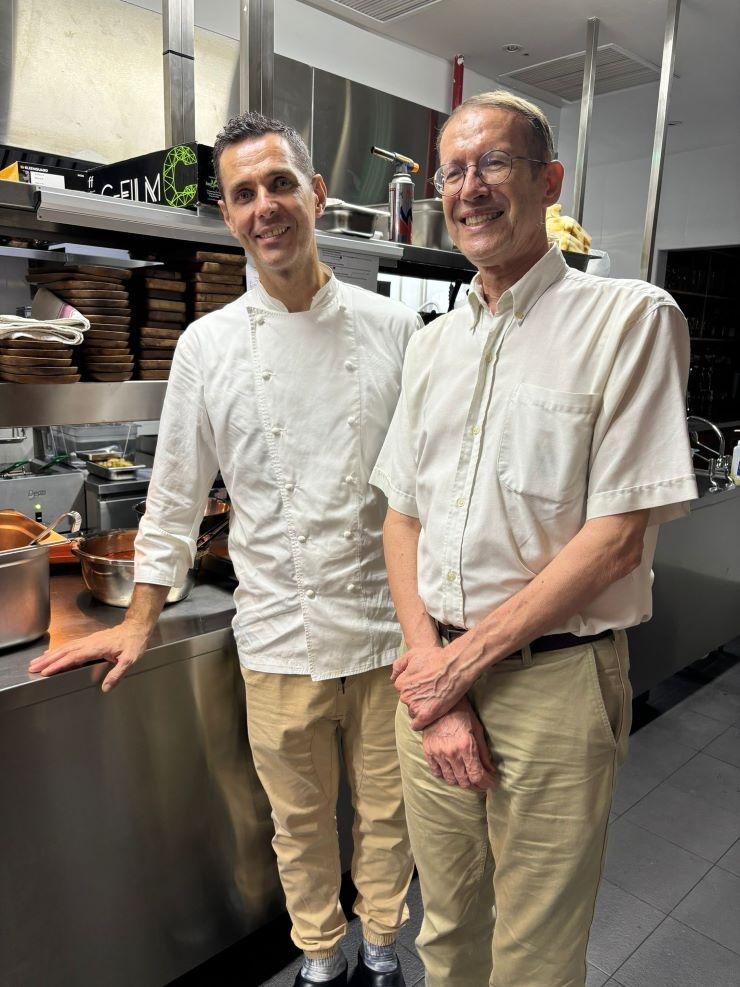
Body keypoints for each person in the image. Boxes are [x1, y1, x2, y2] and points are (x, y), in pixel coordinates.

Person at [29, 111, 419, 987]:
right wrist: (138, 622)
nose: (265, 206)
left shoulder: (393, 329)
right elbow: (170, 495)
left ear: (316, 195)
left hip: (392, 633)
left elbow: (427, 487)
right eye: (243, 193)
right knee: (299, 818)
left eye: (280, 183)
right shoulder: (207, 347)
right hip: (278, 630)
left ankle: (386, 949)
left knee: (391, 815)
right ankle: (321, 957)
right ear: (230, 217)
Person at [371, 90, 697, 987]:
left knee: (536, 954)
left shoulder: (630, 320)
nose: (470, 188)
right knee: (445, 932)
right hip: (431, 677)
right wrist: (433, 671)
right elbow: (402, 515)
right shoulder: (433, 345)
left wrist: (455, 669)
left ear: (549, 181)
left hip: (554, 687)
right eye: (453, 172)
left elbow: (616, 540)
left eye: (495, 164)